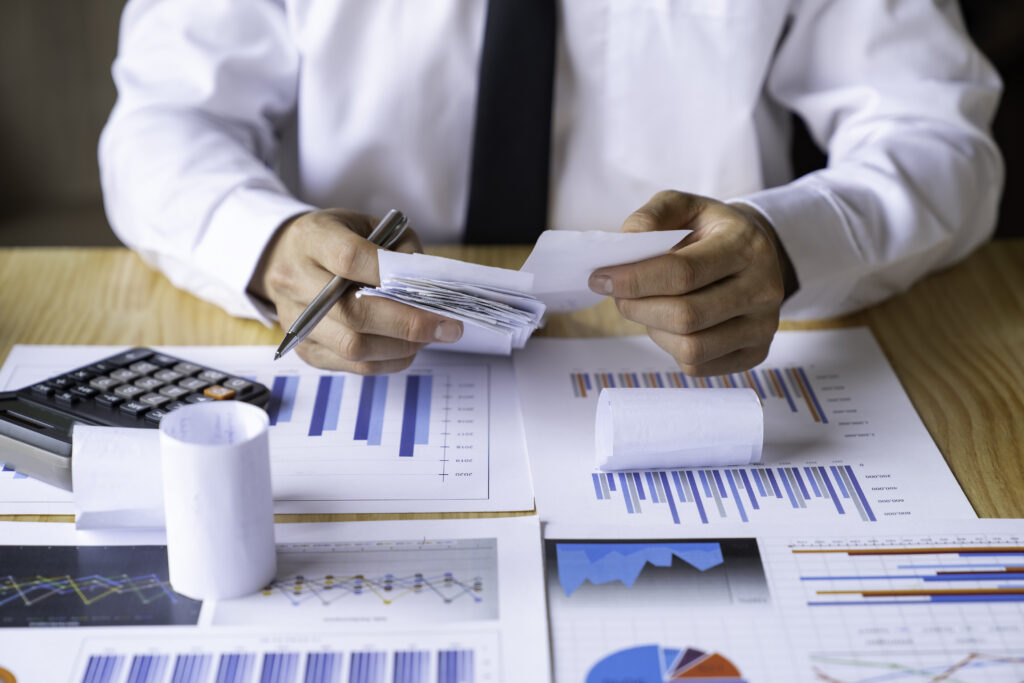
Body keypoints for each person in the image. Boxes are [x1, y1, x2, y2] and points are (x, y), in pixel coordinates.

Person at [99, 1, 1002, 376]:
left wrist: (788, 244)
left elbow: (938, 133)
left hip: (702, 361)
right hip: (360, 352)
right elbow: (161, 122)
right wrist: (264, 245)